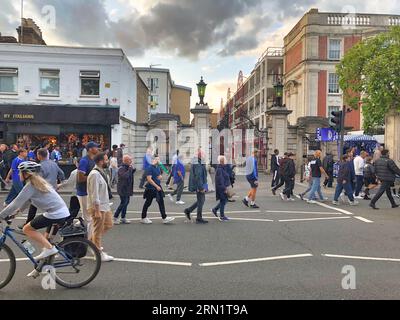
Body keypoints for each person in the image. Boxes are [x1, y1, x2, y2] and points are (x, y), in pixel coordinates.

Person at [0, 162, 70, 277]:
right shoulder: (36, 183)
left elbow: (15, 203)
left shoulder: (30, 186)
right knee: (45, 241)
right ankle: (39, 268)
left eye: (19, 172)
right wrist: (16, 213)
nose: (18, 175)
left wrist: (1, 216)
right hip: (58, 212)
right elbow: (27, 201)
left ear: (26, 173)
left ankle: (49, 249)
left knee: (27, 229)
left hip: (55, 213)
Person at [24, 148, 66, 226]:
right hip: (53, 189)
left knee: (34, 205)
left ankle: (28, 223)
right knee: (52, 208)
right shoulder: (54, 164)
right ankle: (55, 224)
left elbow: (38, 180)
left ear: (39, 155)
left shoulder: (39, 166)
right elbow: (62, 174)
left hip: (43, 190)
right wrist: (60, 184)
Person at [87, 153, 114, 262]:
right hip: (97, 207)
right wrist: (97, 210)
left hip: (105, 205)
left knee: (109, 224)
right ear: (100, 161)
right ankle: (98, 253)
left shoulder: (101, 172)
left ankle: (90, 242)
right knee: (97, 231)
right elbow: (95, 194)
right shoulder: (94, 174)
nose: (108, 162)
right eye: (106, 160)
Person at [141, 156, 175, 225]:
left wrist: (160, 177)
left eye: (159, 159)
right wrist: (156, 186)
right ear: (153, 160)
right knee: (148, 203)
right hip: (151, 188)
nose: (158, 160)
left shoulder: (158, 167)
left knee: (161, 202)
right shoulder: (149, 168)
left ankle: (164, 218)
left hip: (157, 187)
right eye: (157, 159)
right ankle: (143, 218)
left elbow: (164, 173)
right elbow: (149, 179)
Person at [76, 142, 99, 237]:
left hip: (90, 192)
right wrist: (93, 177)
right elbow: (80, 178)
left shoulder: (93, 160)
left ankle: (81, 233)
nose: (97, 148)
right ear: (90, 149)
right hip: (83, 192)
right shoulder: (84, 161)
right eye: (95, 147)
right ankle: (90, 242)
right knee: (89, 218)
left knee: (88, 216)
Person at [185, 149, 209, 224]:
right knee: (201, 200)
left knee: (201, 200)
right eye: (204, 155)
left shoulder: (199, 162)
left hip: (201, 184)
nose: (205, 156)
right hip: (199, 185)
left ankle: (188, 210)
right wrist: (201, 188)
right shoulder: (198, 163)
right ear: (200, 156)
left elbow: (203, 175)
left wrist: (205, 186)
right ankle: (198, 218)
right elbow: (198, 176)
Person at [114, 155, 136, 225]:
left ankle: (123, 217)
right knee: (123, 203)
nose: (131, 161)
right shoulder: (121, 168)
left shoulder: (127, 167)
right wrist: (130, 169)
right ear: (126, 161)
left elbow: (130, 175)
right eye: (130, 160)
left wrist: (132, 170)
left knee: (126, 203)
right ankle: (115, 217)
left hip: (127, 188)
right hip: (122, 189)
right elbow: (125, 176)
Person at [212, 156, 231, 221]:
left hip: (223, 187)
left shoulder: (222, 168)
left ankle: (215, 209)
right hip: (222, 188)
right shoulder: (220, 169)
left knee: (224, 200)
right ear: (221, 161)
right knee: (223, 201)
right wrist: (224, 188)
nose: (226, 162)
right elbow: (220, 180)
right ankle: (222, 216)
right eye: (225, 161)